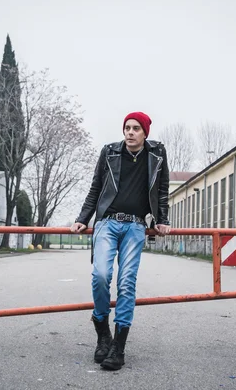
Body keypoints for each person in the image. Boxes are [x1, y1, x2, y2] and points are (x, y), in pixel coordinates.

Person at [71, 111, 171, 370]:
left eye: (136, 128)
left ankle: (118, 347)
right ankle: (103, 334)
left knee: (126, 282)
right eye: (127, 127)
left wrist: (162, 220)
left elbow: (162, 189)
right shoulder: (109, 152)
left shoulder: (157, 154)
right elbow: (96, 187)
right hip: (107, 222)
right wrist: (84, 217)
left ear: (145, 132)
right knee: (101, 275)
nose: (129, 132)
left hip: (136, 226)